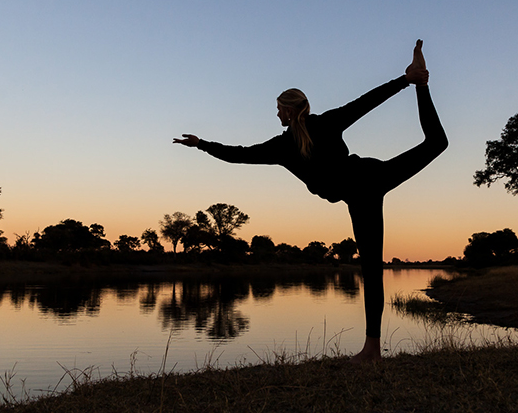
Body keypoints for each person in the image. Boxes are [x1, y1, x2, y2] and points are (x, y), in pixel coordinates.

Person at [173, 40, 448, 362]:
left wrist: (201, 144)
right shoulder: (307, 132)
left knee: (372, 268)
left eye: (278, 108)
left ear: (288, 110)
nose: (276, 113)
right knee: (436, 144)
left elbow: (240, 155)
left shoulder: (285, 144)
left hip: (364, 189)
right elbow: (365, 102)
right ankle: (421, 84)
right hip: (371, 182)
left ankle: (372, 349)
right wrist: (405, 81)